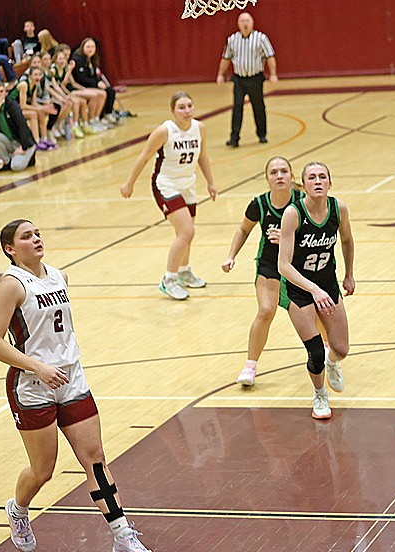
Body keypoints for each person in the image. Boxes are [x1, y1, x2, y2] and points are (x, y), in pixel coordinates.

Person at [0, 219, 156, 552]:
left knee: (94, 458)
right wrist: (38, 366)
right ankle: (17, 509)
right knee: (43, 471)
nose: (36, 239)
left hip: (71, 379)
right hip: (32, 386)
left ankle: (122, 535)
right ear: (10, 249)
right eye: (26, 236)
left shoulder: (60, 276)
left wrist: (61, 363)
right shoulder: (12, 285)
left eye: (37, 233)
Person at [120, 91, 217, 300]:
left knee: (186, 233)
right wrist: (129, 183)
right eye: (181, 107)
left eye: (190, 106)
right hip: (166, 185)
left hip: (187, 185)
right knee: (186, 232)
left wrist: (210, 182)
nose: (187, 111)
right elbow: (144, 156)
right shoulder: (165, 131)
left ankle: (184, 272)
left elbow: (203, 156)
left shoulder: (200, 128)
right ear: (172, 110)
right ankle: (169, 279)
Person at [277, 161, 354, 417]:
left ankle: (333, 364)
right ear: (304, 184)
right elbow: (284, 266)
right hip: (299, 289)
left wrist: (349, 274)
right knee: (315, 351)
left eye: (323, 176)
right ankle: (320, 395)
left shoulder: (338, 208)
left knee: (341, 349)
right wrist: (313, 290)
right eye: (312, 177)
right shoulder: (293, 213)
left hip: (328, 283)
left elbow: (346, 240)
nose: (318, 181)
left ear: (330, 182)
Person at [222, 156, 304, 386]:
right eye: (274, 172)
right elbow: (243, 229)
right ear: (267, 179)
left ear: (292, 176)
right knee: (266, 310)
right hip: (269, 264)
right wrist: (231, 256)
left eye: (284, 171)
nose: (279, 176)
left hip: (299, 263)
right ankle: (250, 366)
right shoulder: (259, 204)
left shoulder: (303, 200)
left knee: (312, 311)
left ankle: (328, 353)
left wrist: (288, 238)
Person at [216, 12, 277, 147]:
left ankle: (262, 134)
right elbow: (226, 58)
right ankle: (234, 138)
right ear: (238, 24)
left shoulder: (261, 38)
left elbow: (270, 56)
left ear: (252, 23)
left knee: (258, 106)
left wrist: (273, 74)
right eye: (242, 21)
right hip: (239, 79)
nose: (245, 23)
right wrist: (220, 74)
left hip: (255, 78)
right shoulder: (232, 39)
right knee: (237, 107)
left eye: (247, 21)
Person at [0, 80, 36, 172]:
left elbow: (22, 126)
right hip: (10, 142)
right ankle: (7, 161)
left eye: (1, 91)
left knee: (16, 167)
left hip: (24, 143)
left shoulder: (12, 105)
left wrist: (23, 147)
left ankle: (30, 155)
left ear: (5, 93)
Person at [71, 37, 117, 127]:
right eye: (88, 47)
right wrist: (96, 84)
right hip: (80, 86)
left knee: (110, 90)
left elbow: (95, 75)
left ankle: (103, 116)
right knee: (101, 93)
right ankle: (93, 119)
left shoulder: (92, 59)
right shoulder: (78, 59)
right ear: (83, 47)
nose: (91, 49)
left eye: (93, 47)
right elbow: (81, 78)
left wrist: (99, 81)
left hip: (90, 84)